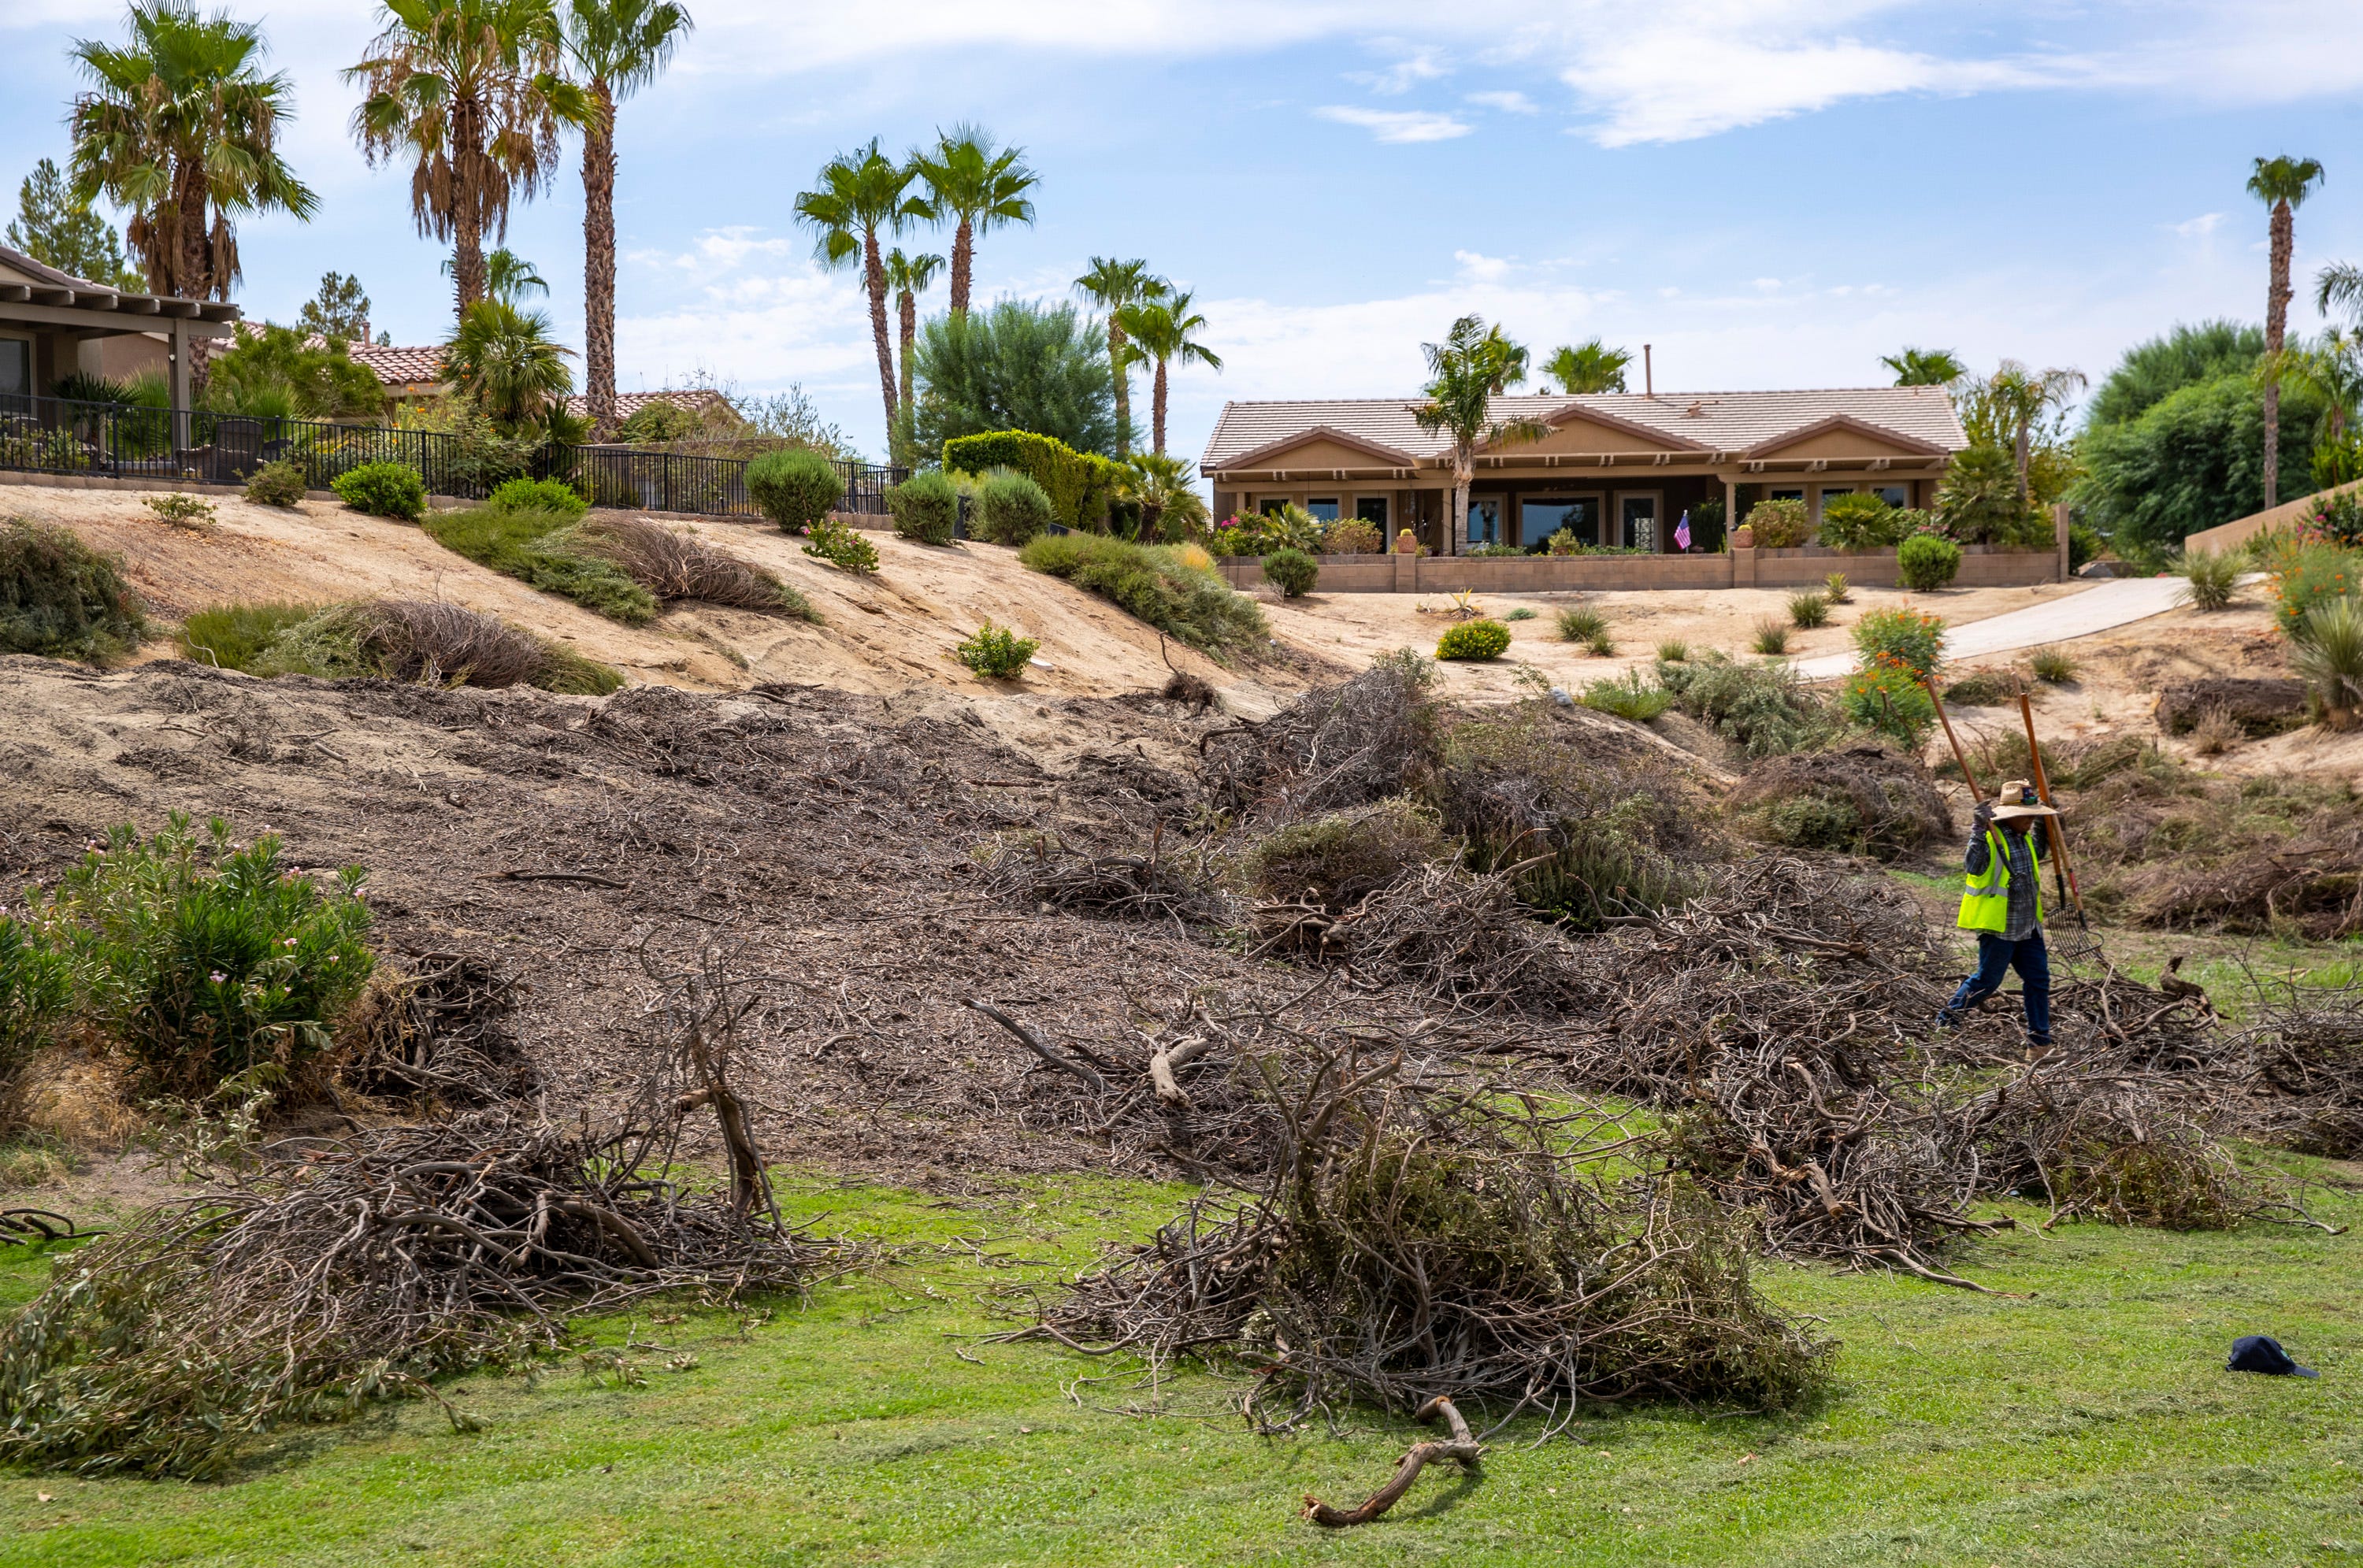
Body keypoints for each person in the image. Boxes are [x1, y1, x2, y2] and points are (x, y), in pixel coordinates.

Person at [1935, 778, 2057, 1050]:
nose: (2029, 820)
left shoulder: (2025, 838)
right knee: (1987, 981)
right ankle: (1946, 1022)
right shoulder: (1991, 837)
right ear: (2010, 816)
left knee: (2039, 980)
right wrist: (1977, 829)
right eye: (2025, 815)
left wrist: (2046, 829)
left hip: (2028, 926)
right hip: (1999, 926)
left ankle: (2039, 1042)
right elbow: (1974, 867)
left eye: (2032, 815)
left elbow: (2038, 851)